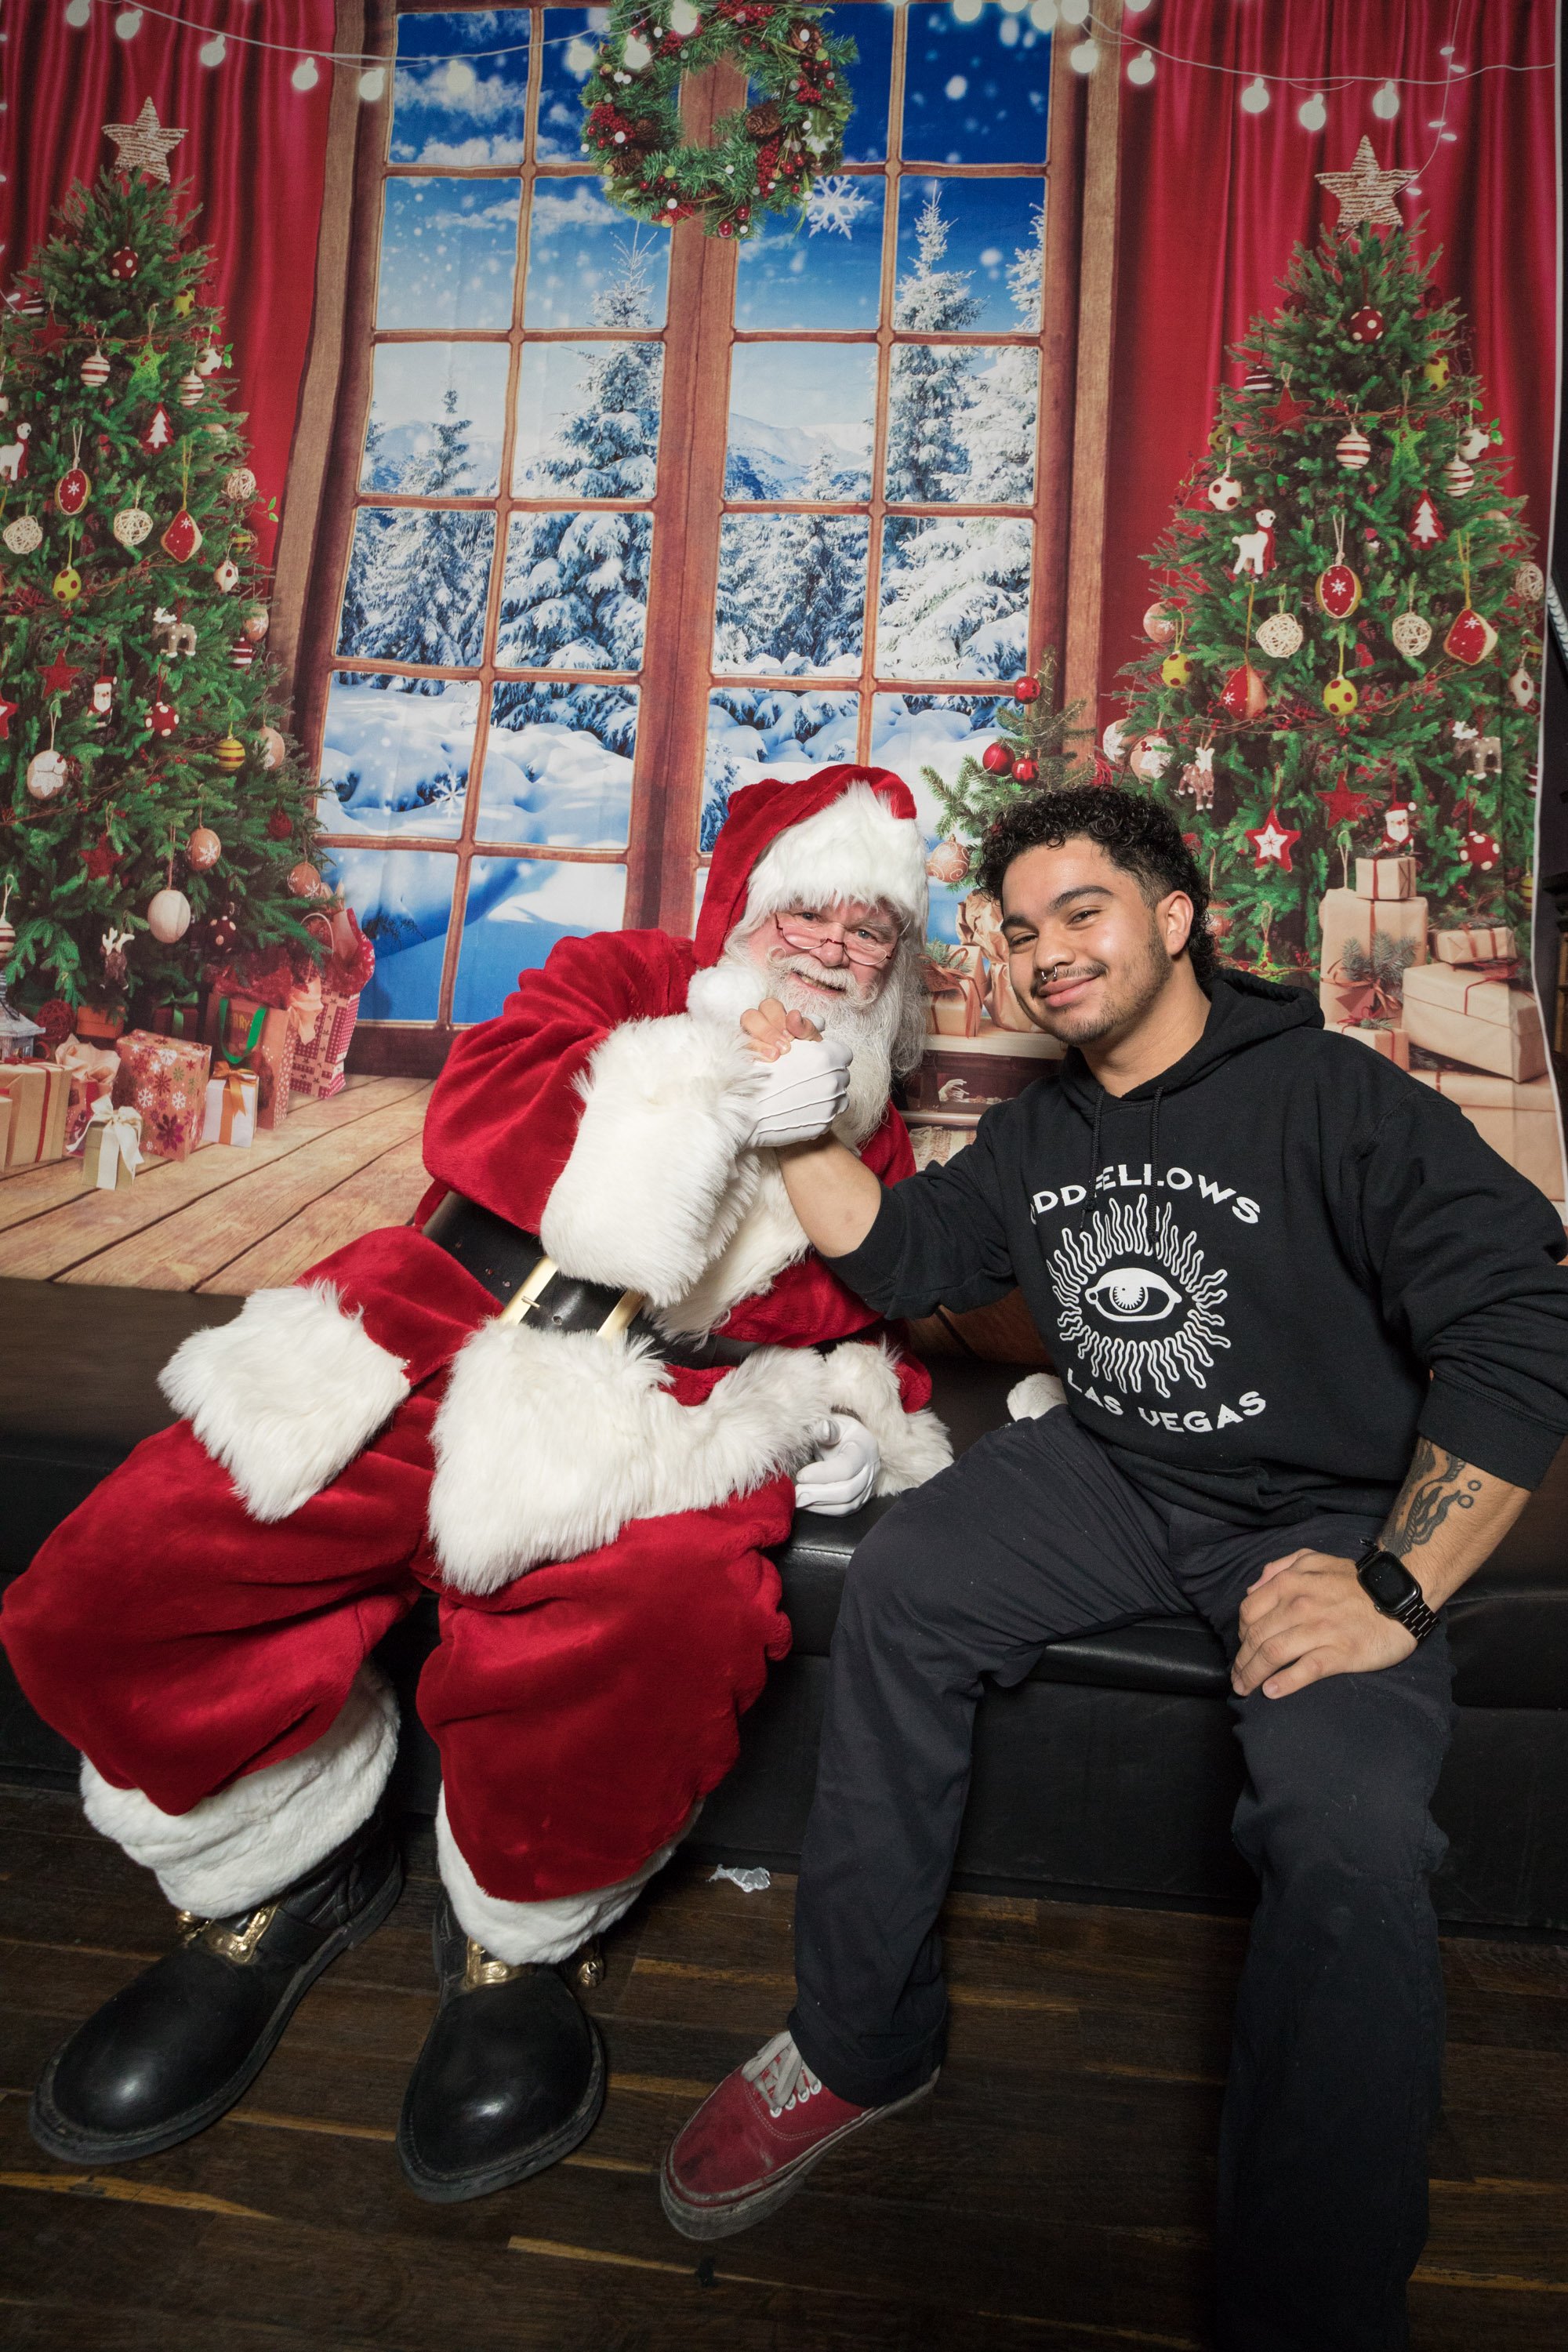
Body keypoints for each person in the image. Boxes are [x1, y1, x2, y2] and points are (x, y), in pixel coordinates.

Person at [662, 784, 1568, 2352]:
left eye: (1080, 912)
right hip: (1113, 1472)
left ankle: (1313, 2304)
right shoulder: (1044, 1134)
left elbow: (1522, 1323)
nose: (1044, 952)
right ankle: (861, 2042)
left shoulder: (1334, 1098)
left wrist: (1395, 1586)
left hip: (1326, 1518)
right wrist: (792, 1107)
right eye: (1019, 931)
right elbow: (899, 1253)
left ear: (1176, 917)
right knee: (904, 1584)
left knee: (1348, 1827)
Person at [1, 766, 952, 2203]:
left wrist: (857, 1408)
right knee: (119, 1578)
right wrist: (713, 1084)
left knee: (668, 1617)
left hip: (662, 1424)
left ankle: (520, 1937)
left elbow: (880, 1297)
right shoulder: (624, 976)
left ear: (893, 965)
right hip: (432, 1335)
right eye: (803, 910)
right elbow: (480, 1114)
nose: (829, 946)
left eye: (867, 930)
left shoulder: (866, 1118)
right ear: (742, 910)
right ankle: (274, 1875)